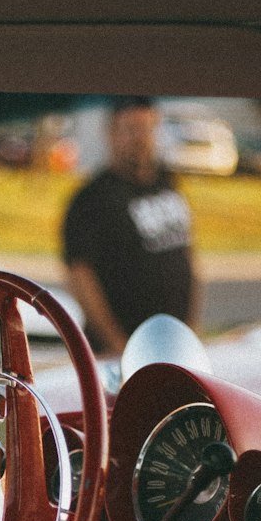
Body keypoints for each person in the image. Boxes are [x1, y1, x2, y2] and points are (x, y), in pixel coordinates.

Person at [62, 98, 197, 354]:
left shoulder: (167, 182)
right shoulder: (92, 199)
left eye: (147, 129)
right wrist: (115, 343)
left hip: (173, 345)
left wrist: (191, 330)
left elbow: (186, 255)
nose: (140, 138)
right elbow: (80, 276)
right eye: (131, 129)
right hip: (121, 350)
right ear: (111, 134)